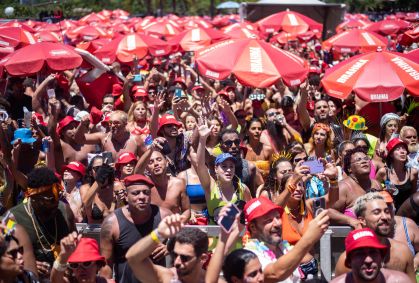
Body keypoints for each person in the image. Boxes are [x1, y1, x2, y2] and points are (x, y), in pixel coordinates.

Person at [99, 174, 172, 281]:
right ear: (126, 196)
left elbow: (185, 243)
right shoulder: (112, 223)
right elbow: (106, 265)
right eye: (135, 193)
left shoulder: (165, 216)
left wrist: (169, 247)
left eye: (146, 192)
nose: (142, 197)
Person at [8, 167, 76, 280]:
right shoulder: (12, 219)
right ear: (33, 198)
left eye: (57, 196)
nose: (55, 203)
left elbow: (77, 247)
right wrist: (27, 264)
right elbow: (4, 256)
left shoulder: (65, 211)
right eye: (49, 198)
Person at [243, 196, 330, 282]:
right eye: (268, 220)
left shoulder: (283, 247)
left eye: (277, 217)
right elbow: (274, 274)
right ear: (253, 227)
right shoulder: (250, 255)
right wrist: (309, 238)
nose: (278, 223)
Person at [334, 192, 416, 281]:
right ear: (362, 221)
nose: (385, 217)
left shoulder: (403, 252)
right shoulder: (347, 260)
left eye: (387, 211)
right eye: (377, 213)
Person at [194, 122, 251, 228]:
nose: (228, 170)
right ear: (216, 169)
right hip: (214, 241)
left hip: (237, 241)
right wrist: (202, 139)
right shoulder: (210, 186)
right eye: (224, 166)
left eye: (231, 166)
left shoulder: (242, 188)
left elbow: (251, 214)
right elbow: (200, 165)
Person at [126, 214, 209, 283]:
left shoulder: (214, 281)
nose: (177, 262)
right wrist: (159, 233)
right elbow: (133, 258)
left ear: (202, 258)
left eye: (184, 258)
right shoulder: (166, 278)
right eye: (175, 255)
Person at [330, 228, 411, 283]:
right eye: (360, 254)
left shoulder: (400, 281)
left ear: (381, 257)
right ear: (349, 262)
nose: (368, 260)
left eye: (373, 252)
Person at [332, 148, 381, 221]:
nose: (364, 161)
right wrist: (351, 221)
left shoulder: (376, 184)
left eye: (366, 158)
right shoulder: (343, 187)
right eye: (358, 160)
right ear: (349, 169)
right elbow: (329, 212)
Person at [81, 110, 146, 161]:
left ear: (125, 124)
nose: (112, 126)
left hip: (129, 177)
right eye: (110, 123)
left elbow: (147, 160)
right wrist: (82, 124)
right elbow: (79, 139)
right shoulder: (103, 138)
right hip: (109, 177)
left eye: (116, 123)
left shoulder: (135, 140)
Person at [219, 128, 263, 197]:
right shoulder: (215, 166)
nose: (233, 146)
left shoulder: (249, 167)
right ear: (221, 146)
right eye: (228, 143)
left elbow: (260, 185)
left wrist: (257, 195)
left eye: (236, 142)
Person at [376, 138, 417, 211]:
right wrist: (385, 191)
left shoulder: (413, 172)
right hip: (390, 212)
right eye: (398, 149)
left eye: (404, 149)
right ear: (391, 154)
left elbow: (413, 195)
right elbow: (374, 193)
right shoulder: (383, 172)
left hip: (408, 213)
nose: (402, 152)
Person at [80, 160, 118, 224]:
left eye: (102, 168)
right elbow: (86, 203)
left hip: (114, 231)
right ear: (90, 173)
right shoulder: (85, 188)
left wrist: (117, 202)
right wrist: (100, 179)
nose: (100, 171)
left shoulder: (116, 186)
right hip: (93, 232)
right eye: (97, 168)